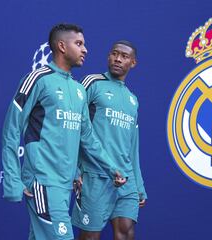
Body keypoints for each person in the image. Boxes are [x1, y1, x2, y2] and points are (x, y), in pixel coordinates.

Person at [1, 23, 125, 240]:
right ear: (61, 46)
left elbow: (87, 137)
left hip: (65, 185)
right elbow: (11, 129)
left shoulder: (78, 90)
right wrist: (13, 180)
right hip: (43, 181)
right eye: (79, 44)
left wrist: (110, 167)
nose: (85, 49)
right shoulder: (37, 79)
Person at [72, 40, 147, 240]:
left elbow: (133, 146)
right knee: (90, 237)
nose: (118, 59)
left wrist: (138, 185)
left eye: (124, 56)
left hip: (126, 179)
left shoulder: (133, 99)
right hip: (95, 175)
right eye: (114, 54)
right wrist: (75, 169)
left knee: (125, 231)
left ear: (133, 63)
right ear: (108, 56)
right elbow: (73, 126)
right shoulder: (92, 83)